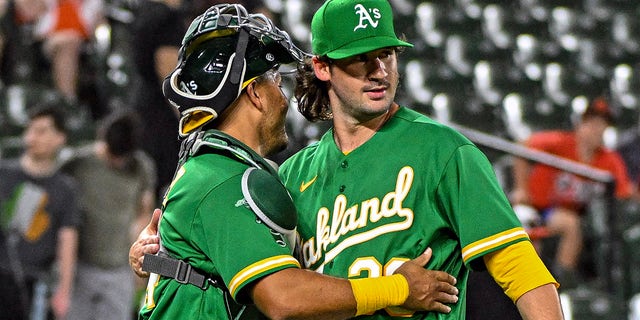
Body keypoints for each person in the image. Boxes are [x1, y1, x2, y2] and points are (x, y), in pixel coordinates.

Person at [132, 0, 564, 318]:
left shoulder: (443, 151)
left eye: (386, 54)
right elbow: (271, 285)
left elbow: (520, 269)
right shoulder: (290, 176)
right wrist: (162, 256)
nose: (378, 70)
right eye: (359, 60)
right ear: (322, 67)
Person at [511, 96, 637, 288]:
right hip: (534, 206)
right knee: (535, 238)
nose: (597, 129)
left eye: (602, 125)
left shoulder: (607, 159)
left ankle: (562, 283)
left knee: (572, 224)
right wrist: (521, 187)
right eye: (592, 123)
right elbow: (523, 147)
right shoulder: (561, 142)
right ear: (581, 125)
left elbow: (624, 191)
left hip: (564, 213)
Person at [59, 111, 156, 320]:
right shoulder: (77, 163)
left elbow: (143, 214)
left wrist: (139, 260)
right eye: (111, 155)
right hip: (81, 266)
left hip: (119, 269)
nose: (115, 162)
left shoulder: (142, 168)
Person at [0, 104, 81, 319]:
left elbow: (67, 238)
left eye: (42, 131)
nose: (32, 138)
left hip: (35, 282)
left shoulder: (65, 189)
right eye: (30, 130)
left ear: (60, 138)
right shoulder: (4, 173)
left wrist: (64, 290)